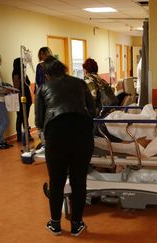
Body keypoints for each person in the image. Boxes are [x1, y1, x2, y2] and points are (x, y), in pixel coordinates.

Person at [35, 56, 96, 236]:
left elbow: (39, 121)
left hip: (57, 135)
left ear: (47, 74)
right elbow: (92, 111)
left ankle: (55, 224)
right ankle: (77, 224)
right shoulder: (80, 83)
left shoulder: (43, 88)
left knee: (57, 181)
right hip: (82, 134)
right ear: (64, 69)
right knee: (79, 181)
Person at [12, 58, 33, 142]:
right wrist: (20, 100)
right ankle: (20, 136)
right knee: (20, 117)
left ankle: (26, 135)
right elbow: (17, 88)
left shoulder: (23, 73)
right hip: (21, 98)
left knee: (25, 117)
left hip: (26, 98)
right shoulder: (16, 74)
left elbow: (27, 83)